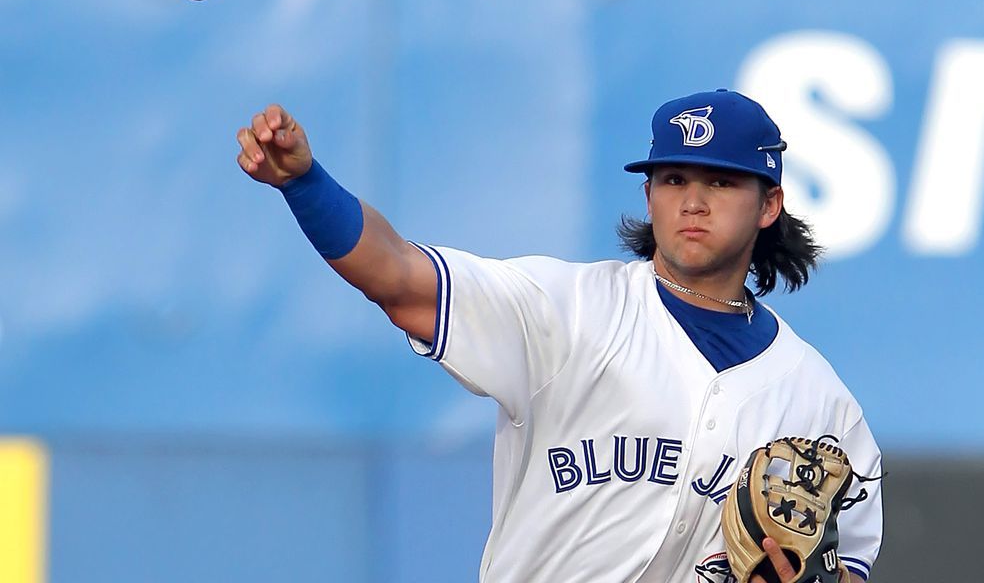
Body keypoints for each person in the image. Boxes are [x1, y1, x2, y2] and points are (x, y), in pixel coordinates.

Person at [235, 89, 883, 583]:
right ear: (650, 194)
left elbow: (847, 565)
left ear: (769, 205)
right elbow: (399, 277)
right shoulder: (565, 310)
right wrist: (304, 183)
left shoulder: (817, 401)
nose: (693, 201)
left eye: (721, 180)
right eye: (673, 179)